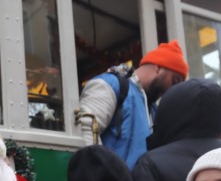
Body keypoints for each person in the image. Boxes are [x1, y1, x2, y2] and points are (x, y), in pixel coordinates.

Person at [76, 40, 189, 169]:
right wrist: (102, 179)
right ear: (158, 67)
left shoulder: (152, 109)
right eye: (175, 81)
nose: (173, 89)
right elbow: (85, 131)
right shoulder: (110, 85)